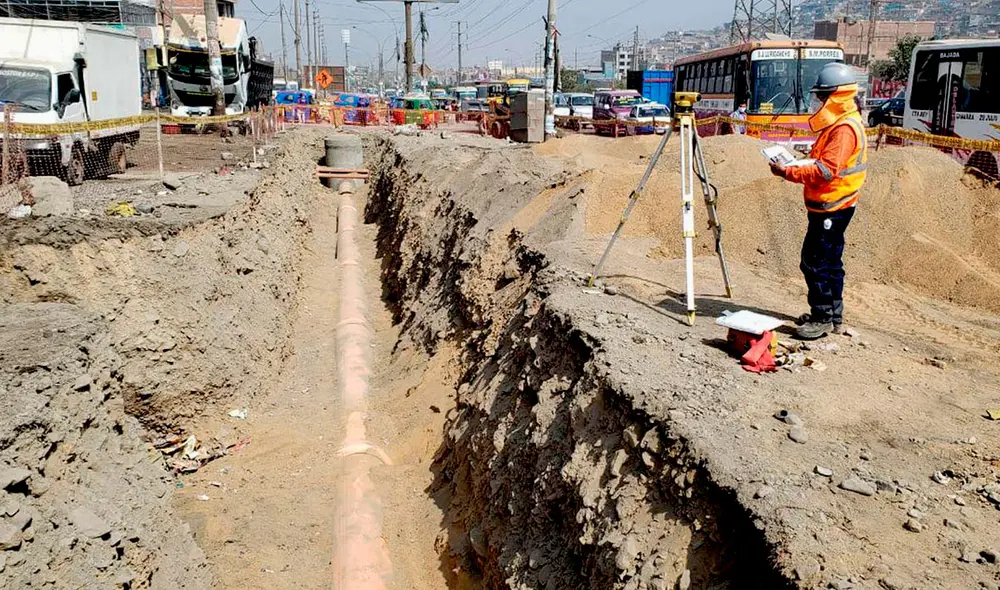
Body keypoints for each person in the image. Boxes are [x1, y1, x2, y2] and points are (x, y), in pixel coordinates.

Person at [769, 62, 867, 340]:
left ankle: (822, 316)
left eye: (822, 97)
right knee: (831, 261)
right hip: (836, 203)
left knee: (815, 261)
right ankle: (833, 315)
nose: (818, 102)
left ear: (836, 96)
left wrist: (787, 171)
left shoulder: (843, 129)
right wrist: (802, 162)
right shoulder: (842, 122)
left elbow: (826, 171)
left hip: (833, 204)